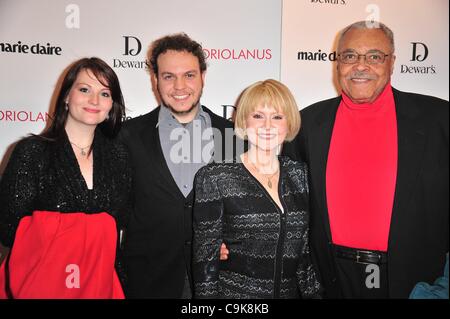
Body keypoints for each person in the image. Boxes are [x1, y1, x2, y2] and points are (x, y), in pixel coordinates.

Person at [282, 21, 449, 298]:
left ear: (392, 62)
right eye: (350, 56)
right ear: (337, 64)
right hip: (329, 278)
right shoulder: (307, 124)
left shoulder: (440, 120)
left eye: (374, 56)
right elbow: (286, 207)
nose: (361, 65)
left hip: (414, 281)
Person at [119, 33, 240, 298]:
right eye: (168, 76)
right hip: (148, 280)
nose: (179, 86)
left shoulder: (232, 136)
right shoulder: (127, 136)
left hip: (217, 281)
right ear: (155, 80)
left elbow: (245, 208)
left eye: (189, 75)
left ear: (203, 77)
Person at [0, 57, 132, 298]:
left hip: (101, 283)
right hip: (42, 286)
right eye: (84, 89)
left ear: (112, 104)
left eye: (104, 94)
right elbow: (8, 228)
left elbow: (121, 221)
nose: (94, 100)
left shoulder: (119, 156)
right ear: (66, 96)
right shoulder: (32, 152)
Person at [193, 79, 321, 298]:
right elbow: (206, 262)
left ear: (289, 123)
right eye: (258, 116)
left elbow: (305, 253)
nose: (268, 126)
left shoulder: (302, 175)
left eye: (277, 117)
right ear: (243, 121)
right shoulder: (216, 177)